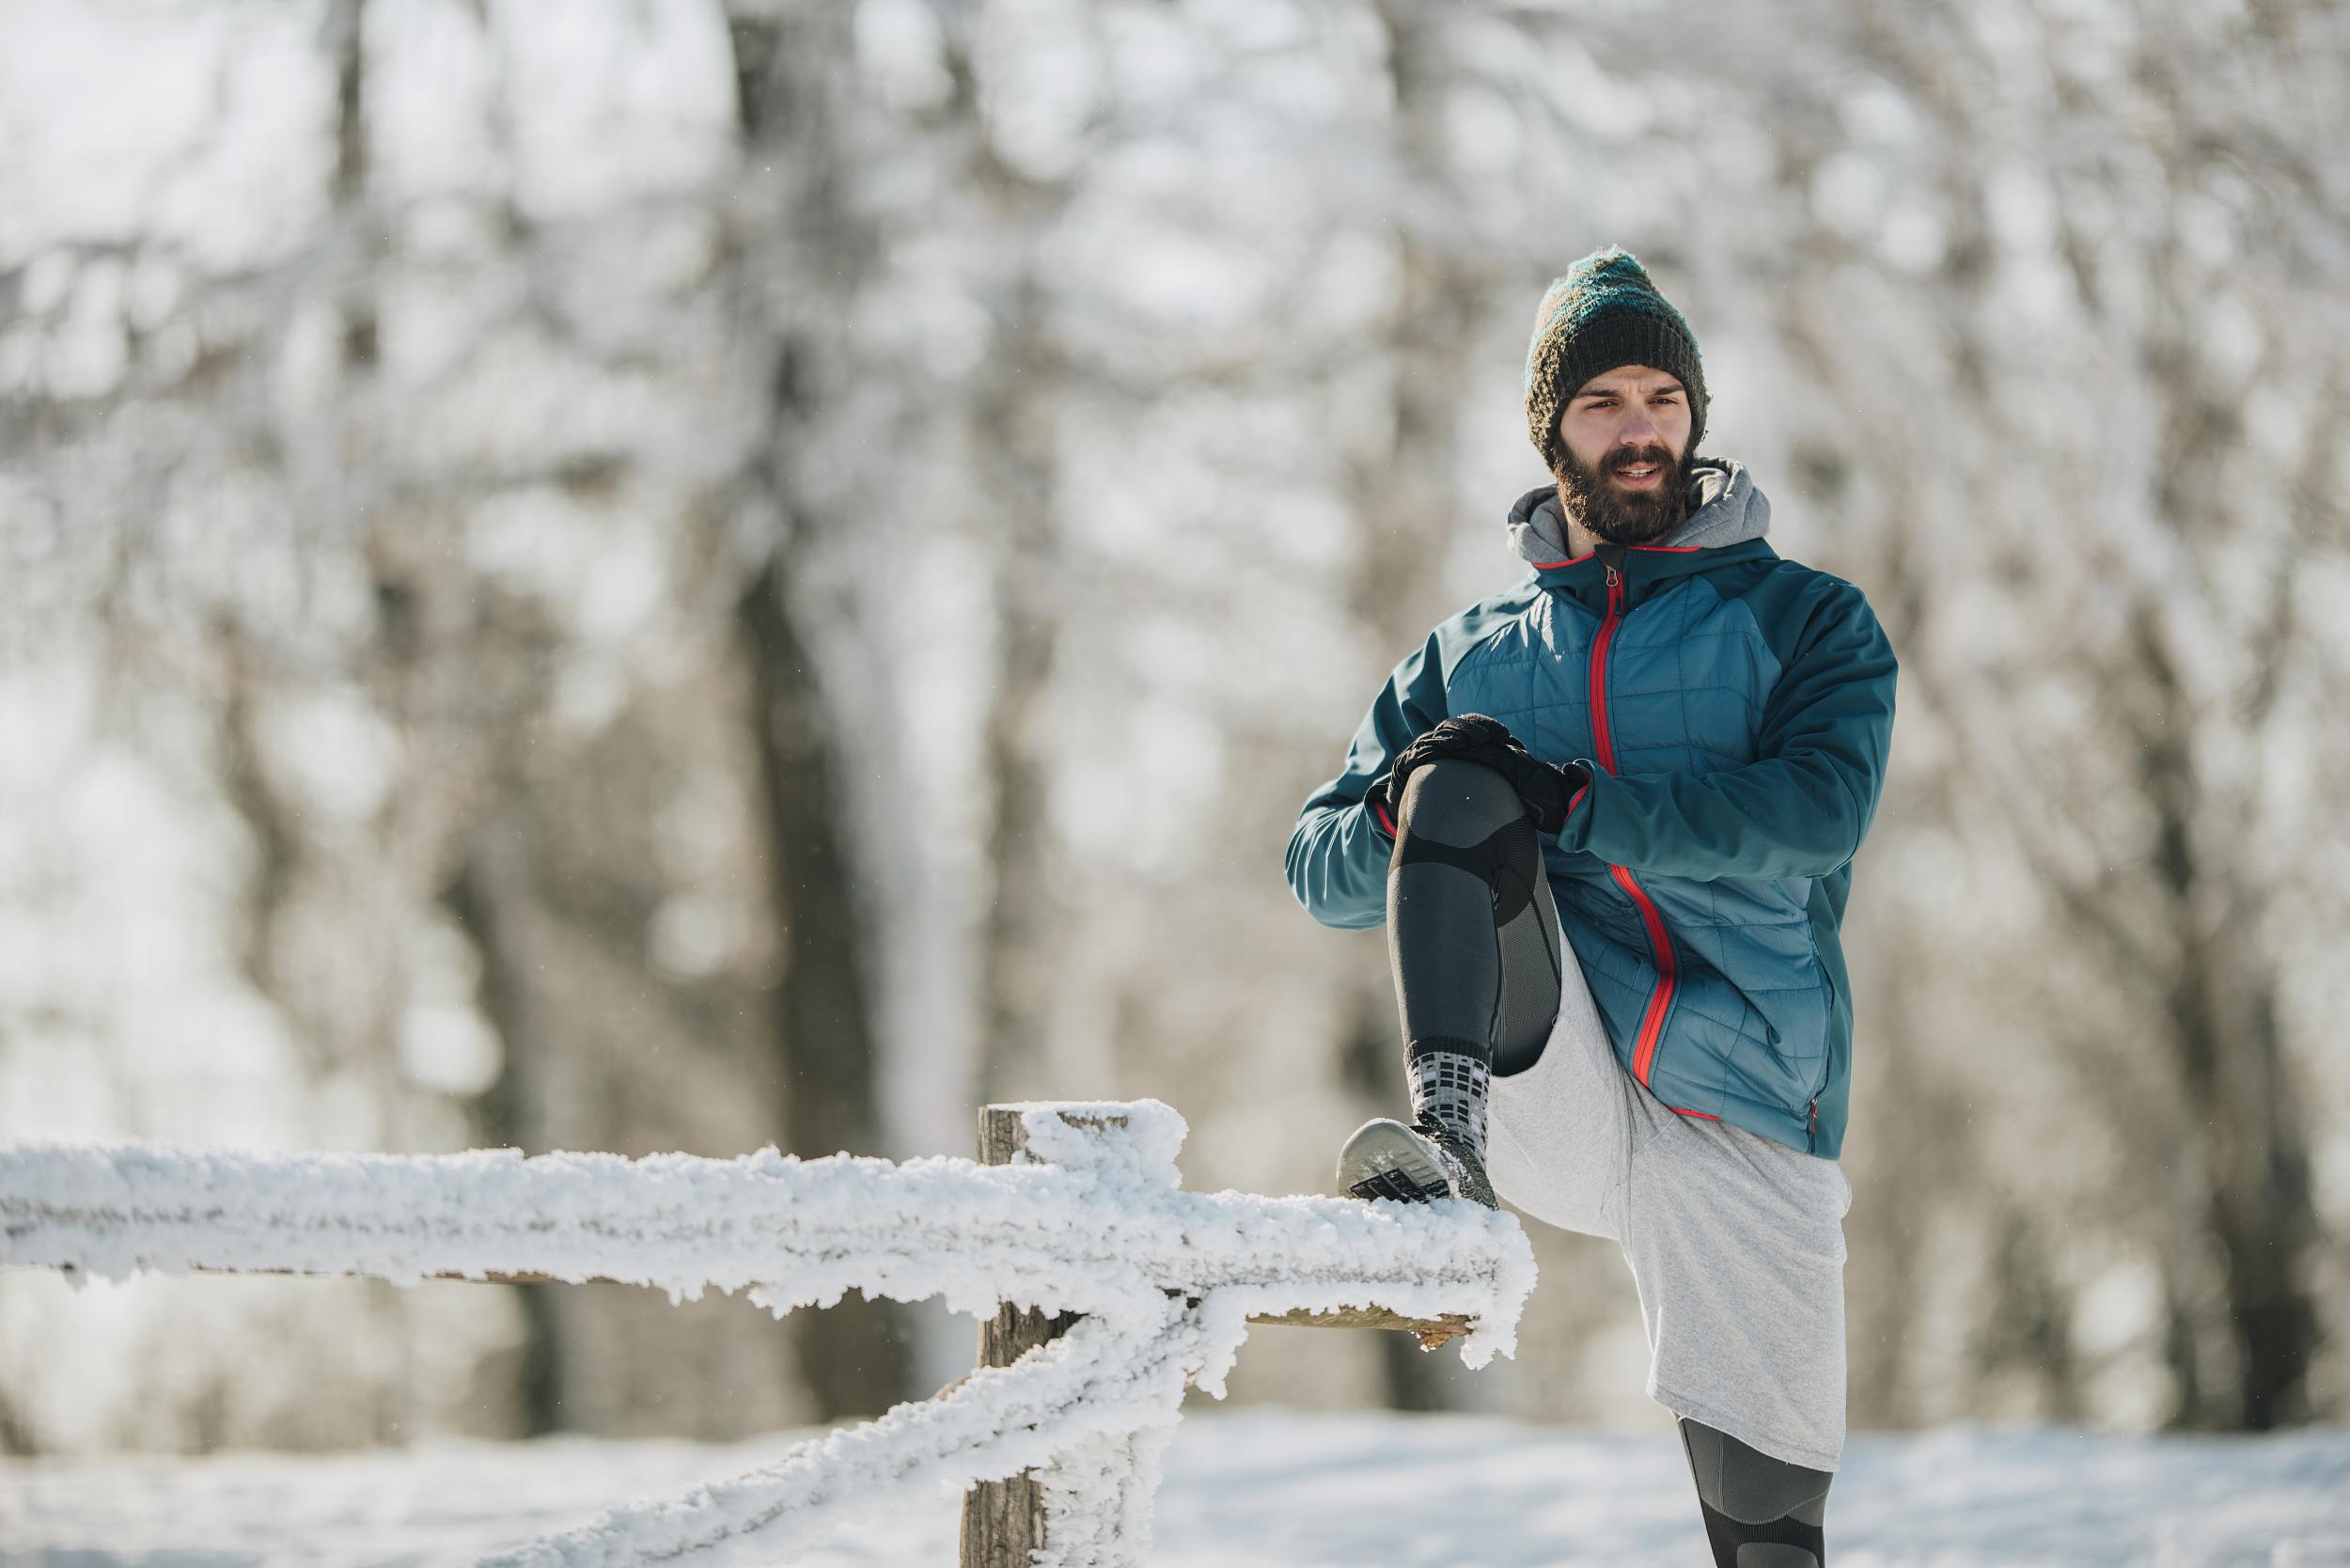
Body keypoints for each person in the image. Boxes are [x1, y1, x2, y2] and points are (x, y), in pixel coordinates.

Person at [1284, 246, 1898, 1568]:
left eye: (1662, 400)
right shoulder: (1469, 652)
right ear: (1550, 429)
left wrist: (1585, 805)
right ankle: (1450, 1161)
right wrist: (1406, 804)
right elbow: (1315, 861)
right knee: (1449, 780)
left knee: (1771, 1531)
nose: (1639, 430)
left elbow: (1815, 813)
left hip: (1744, 1090)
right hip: (1544, 1072)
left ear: (1695, 419)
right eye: (1604, 402)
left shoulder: (1808, 621)